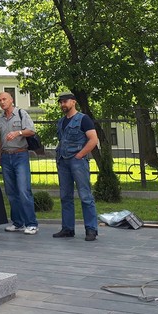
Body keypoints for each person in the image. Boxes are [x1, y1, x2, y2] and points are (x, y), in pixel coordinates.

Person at [53, 92, 100, 241]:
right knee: (65, 196)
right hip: (62, 161)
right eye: (61, 102)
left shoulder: (83, 119)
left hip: (78, 162)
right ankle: (67, 229)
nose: (63, 104)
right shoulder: (61, 121)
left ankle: (91, 229)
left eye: (65, 101)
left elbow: (93, 139)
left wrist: (80, 155)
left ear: (73, 102)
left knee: (85, 196)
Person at [0, 91, 39, 234]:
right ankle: (18, 223)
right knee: (11, 192)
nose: (2, 102)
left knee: (23, 190)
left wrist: (18, 133)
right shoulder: (0, 118)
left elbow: (31, 131)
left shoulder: (21, 113)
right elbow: (1, 137)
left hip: (20, 155)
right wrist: (0, 155)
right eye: (0, 100)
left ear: (11, 100)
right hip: (6, 157)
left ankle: (31, 224)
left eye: (4, 99)